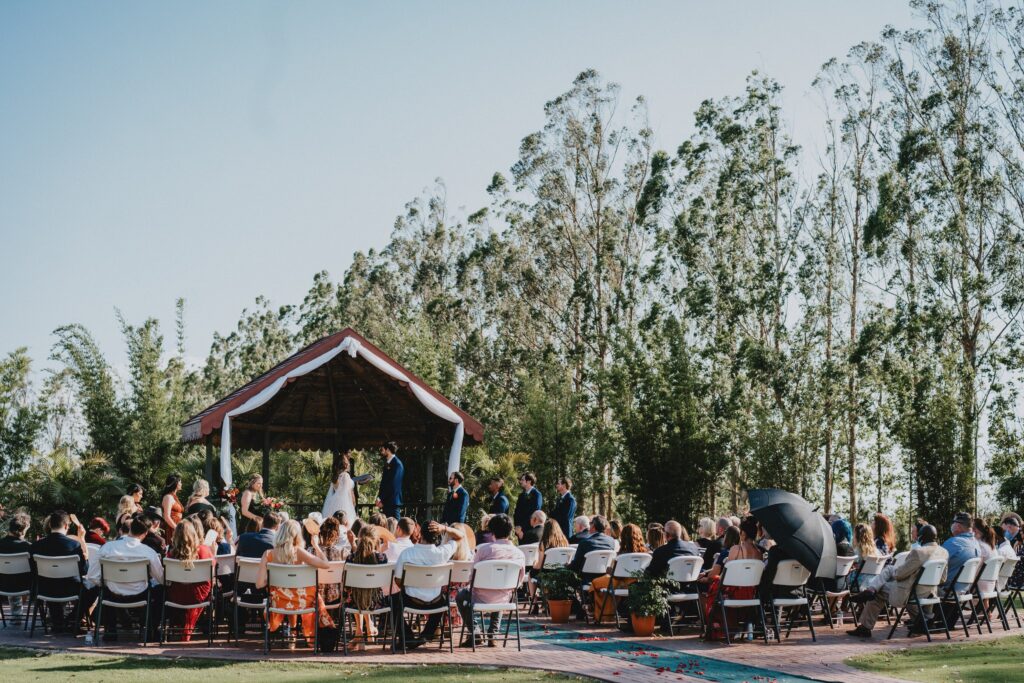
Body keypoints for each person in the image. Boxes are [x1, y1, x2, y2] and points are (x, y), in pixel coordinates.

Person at [847, 524, 948, 638]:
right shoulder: (944, 552)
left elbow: (900, 575)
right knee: (888, 573)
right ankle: (872, 589)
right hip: (929, 592)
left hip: (909, 592)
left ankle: (865, 625)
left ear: (921, 537)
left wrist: (897, 572)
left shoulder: (919, 552)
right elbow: (943, 578)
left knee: (880, 588)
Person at [256, 519, 334, 646]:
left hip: (278, 603)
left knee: (287, 592)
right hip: (303, 603)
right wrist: (316, 546)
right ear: (297, 536)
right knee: (306, 593)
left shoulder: (268, 554)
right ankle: (299, 633)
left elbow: (259, 584)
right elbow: (325, 564)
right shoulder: (299, 552)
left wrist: (272, 579)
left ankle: (292, 632)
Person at [391, 520, 467, 648]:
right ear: (437, 535)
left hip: (411, 600)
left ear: (420, 535)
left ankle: (408, 637)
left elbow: (397, 580)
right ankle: (426, 635)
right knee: (444, 600)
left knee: (392, 601)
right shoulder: (442, 552)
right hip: (435, 602)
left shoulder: (407, 553)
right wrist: (444, 528)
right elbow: (461, 536)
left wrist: (410, 587)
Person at [90, 513, 164, 640]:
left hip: (113, 594)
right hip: (140, 594)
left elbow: (92, 575)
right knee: (161, 591)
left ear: (130, 529)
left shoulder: (107, 548)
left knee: (104, 588)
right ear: (145, 533)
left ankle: (111, 630)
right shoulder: (148, 552)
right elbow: (161, 579)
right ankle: (150, 629)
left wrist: (105, 583)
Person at [456, 513, 525, 647]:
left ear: (492, 532)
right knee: (502, 588)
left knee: (460, 596)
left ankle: (475, 632)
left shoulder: (483, 550)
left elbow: (472, 576)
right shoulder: (519, 554)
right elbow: (519, 581)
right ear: (510, 531)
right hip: (504, 598)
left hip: (479, 597)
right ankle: (492, 633)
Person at [702, 517, 762, 641]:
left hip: (734, 594)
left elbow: (726, 575)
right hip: (751, 594)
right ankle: (729, 627)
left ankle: (717, 628)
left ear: (743, 533)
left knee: (713, 588)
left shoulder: (736, 549)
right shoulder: (759, 553)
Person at [31, 511, 90, 633]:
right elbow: (84, 570)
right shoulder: (74, 545)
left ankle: (59, 623)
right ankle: (72, 620)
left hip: (44, 589)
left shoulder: (36, 546)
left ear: (50, 525)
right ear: (66, 526)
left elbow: (33, 570)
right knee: (93, 588)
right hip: (71, 588)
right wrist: (82, 540)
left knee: (52, 581)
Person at [165, 519, 214, 641]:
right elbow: (211, 574)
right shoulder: (204, 550)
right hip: (198, 596)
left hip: (176, 595)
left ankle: (176, 626)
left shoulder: (170, 554)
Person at [589, 523, 646, 623]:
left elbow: (616, 575)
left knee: (595, 583)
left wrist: (609, 570)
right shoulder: (645, 555)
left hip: (620, 583)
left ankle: (599, 612)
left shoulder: (622, 555)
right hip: (637, 584)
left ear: (623, 537)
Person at [346, 526, 389, 650]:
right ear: (376, 540)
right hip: (377, 602)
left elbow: (346, 583)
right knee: (365, 592)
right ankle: (365, 627)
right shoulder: (382, 558)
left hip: (354, 603)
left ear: (359, 539)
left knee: (356, 592)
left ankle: (359, 632)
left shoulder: (351, 558)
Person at [0, 512, 32, 619]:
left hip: (2, 584)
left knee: (10, 577)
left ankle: (16, 616)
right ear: (23, 530)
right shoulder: (28, 547)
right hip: (26, 586)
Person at [568, 515, 616, 584]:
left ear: (593, 526)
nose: (589, 525)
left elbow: (576, 566)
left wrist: (567, 566)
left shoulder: (585, 543)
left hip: (586, 579)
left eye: (590, 523)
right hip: (603, 576)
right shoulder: (611, 541)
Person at [942, 512, 980, 591]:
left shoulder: (953, 543)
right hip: (966, 589)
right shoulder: (977, 544)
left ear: (958, 526)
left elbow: (935, 564)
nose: (952, 525)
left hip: (947, 589)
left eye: (953, 522)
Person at [322, 452, 358, 523]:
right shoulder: (345, 476)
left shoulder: (335, 476)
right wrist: (353, 504)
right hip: (346, 505)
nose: (349, 464)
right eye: (347, 462)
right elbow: (350, 493)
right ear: (345, 464)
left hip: (334, 503)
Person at [375, 441, 404, 518]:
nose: (381, 452)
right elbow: (384, 483)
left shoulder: (397, 464)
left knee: (395, 527)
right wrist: (380, 499)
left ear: (387, 450)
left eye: (382, 449)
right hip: (386, 502)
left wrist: (381, 498)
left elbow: (393, 485)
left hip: (393, 502)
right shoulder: (388, 463)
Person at [512, 472, 542, 538]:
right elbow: (516, 512)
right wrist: (517, 526)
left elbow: (534, 513)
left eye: (522, 480)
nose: (520, 481)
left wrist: (522, 527)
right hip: (519, 530)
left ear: (528, 481)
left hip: (530, 530)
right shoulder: (521, 495)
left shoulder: (537, 495)